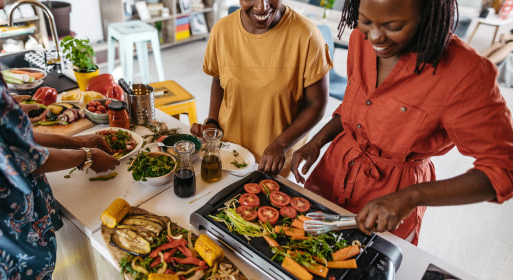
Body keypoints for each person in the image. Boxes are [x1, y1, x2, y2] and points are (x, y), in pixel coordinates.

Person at [291, 0, 513, 245]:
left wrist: (410, 197)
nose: (374, 36)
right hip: (331, 173)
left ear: (427, 14)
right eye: (365, 21)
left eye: (393, 26)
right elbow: (356, 107)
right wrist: (317, 141)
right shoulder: (360, 39)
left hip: (392, 198)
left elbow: (504, 168)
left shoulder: (465, 72)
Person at [0, 0, 119, 278]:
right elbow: (23, 158)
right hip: (1, 245)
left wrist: (79, 142)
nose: (1, 3)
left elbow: (3, 142)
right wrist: (87, 156)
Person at [190, 0, 332, 176]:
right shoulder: (222, 30)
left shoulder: (307, 35)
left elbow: (316, 103)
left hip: (273, 160)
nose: (261, 7)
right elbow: (219, 81)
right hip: (228, 152)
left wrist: (281, 144)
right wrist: (212, 122)